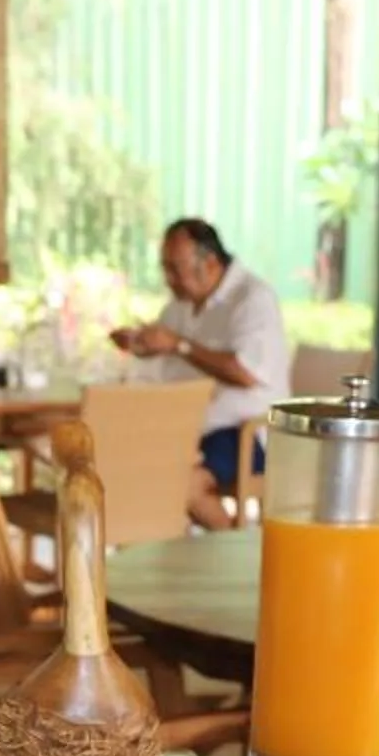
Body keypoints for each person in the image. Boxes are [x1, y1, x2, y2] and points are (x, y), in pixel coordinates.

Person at [108, 217, 291, 528]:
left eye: (174, 269)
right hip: (186, 427)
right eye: (164, 268)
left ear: (209, 263)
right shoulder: (181, 305)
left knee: (177, 488)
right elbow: (164, 356)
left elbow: (245, 372)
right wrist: (142, 344)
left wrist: (179, 345)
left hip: (243, 432)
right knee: (128, 471)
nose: (168, 279)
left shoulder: (253, 299)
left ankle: (242, 560)